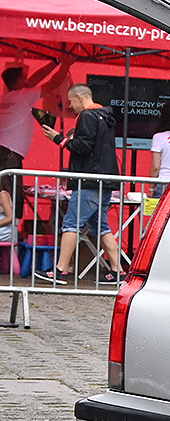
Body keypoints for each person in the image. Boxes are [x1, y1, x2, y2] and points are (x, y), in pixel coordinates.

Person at [43, 85, 126, 285]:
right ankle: (118, 271)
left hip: (89, 179)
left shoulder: (88, 117)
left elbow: (84, 146)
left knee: (71, 223)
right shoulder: (104, 116)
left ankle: (60, 270)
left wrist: (60, 139)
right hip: (105, 180)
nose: (70, 106)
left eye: (71, 102)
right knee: (101, 226)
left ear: (79, 97)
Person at [0, 59, 59, 179]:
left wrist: (55, 62)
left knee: (4, 191)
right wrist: (65, 65)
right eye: (23, 78)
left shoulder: (6, 97)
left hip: (5, 150)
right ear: (17, 82)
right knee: (12, 193)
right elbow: (53, 83)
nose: (27, 80)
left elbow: (33, 80)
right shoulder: (24, 95)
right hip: (11, 154)